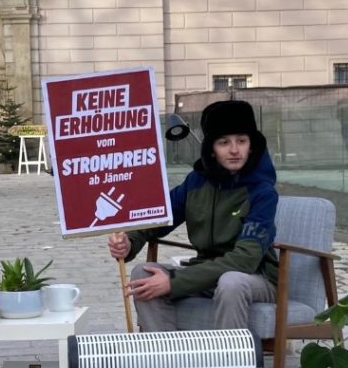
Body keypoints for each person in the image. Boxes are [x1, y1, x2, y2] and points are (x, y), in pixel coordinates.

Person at [107, 100, 279, 331]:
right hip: (205, 272)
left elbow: (244, 260)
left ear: (252, 145)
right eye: (224, 142)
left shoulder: (262, 192)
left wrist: (174, 283)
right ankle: (166, 361)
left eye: (241, 140)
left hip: (254, 277)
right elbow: (160, 217)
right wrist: (130, 240)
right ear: (211, 148)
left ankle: (230, 364)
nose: (234, 150)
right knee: (143, 273)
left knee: (231, 281)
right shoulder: (195, 182)